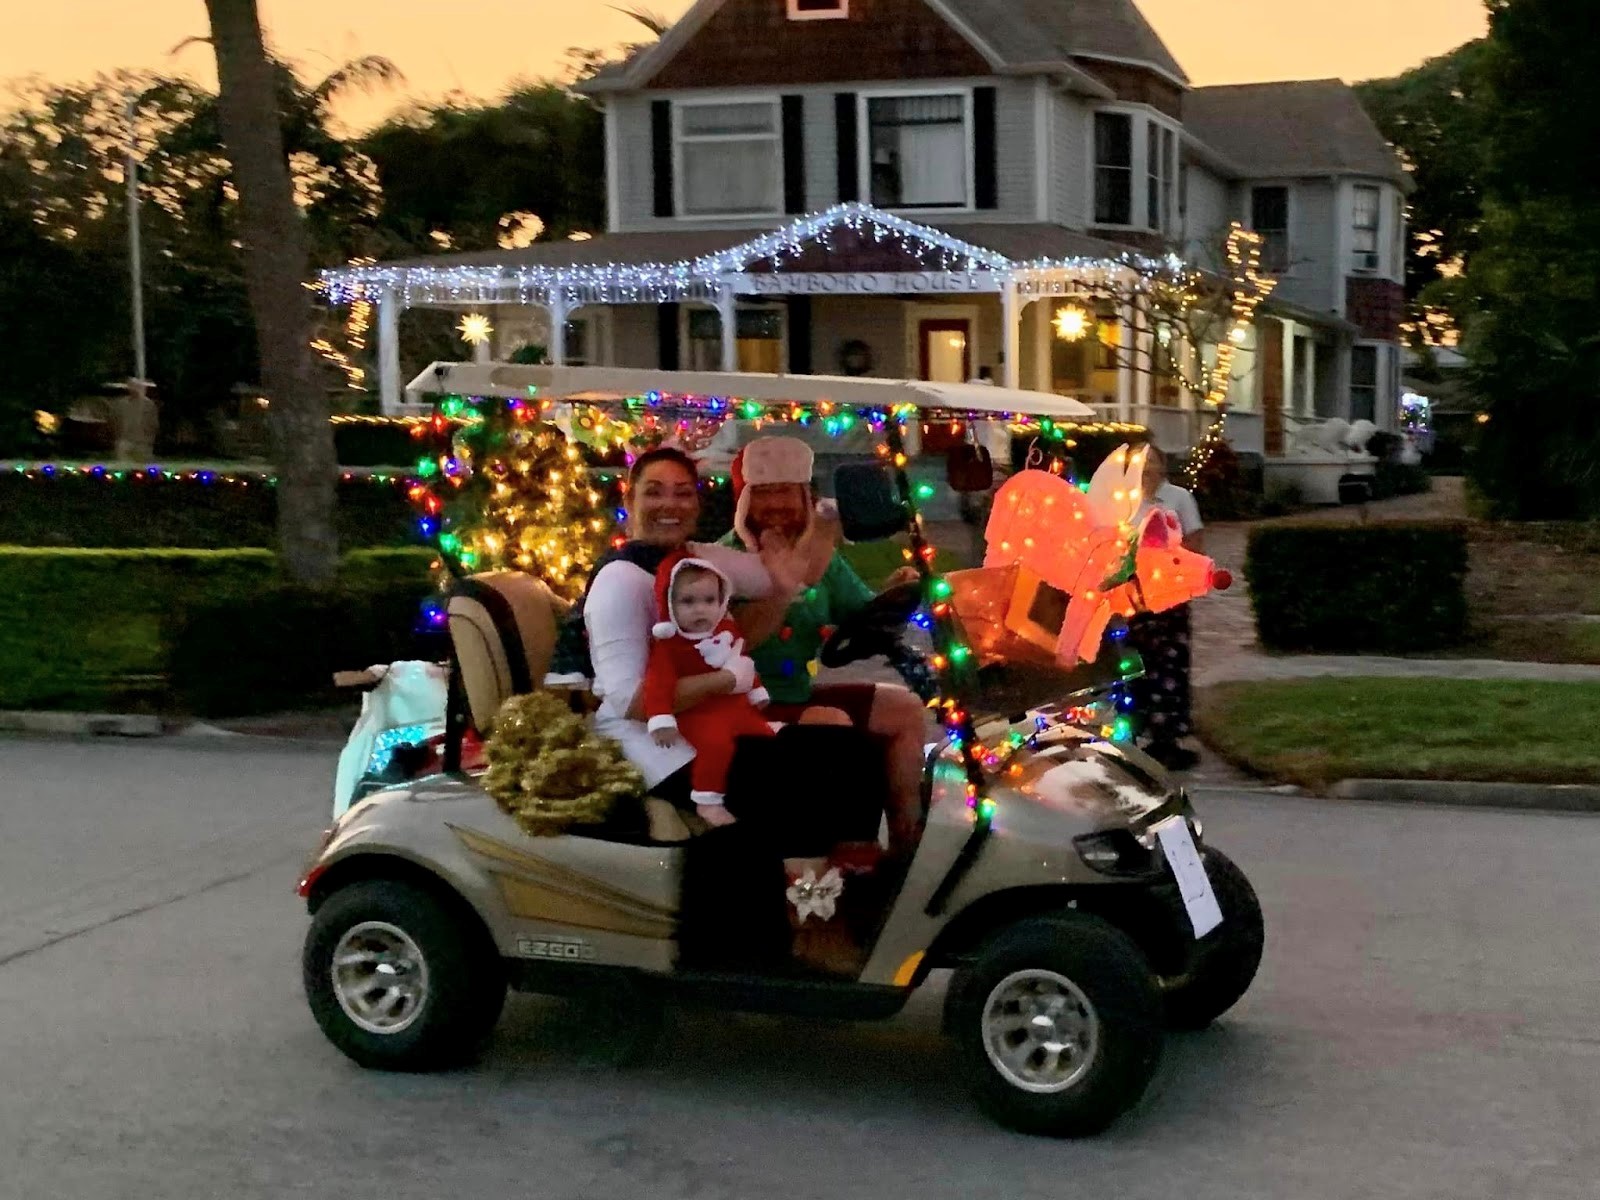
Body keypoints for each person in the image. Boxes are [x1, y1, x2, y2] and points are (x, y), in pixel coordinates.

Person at [720, 435, 930, 857]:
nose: (776, 504)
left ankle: (907, 849)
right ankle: (853, 854)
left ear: (805, 496)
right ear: (744, 502)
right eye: (763, 492)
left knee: (905, 709)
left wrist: (895, 591)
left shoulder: (820, 556)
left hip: (794, 695)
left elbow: (858, 613)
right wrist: (783, 586)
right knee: (829, 719)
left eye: (786, 491)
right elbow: (736, 640)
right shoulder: (724, 562)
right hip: (740, 706)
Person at [643, 553, 774, 826]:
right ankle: (707, 799)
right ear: (669, 605)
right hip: (698, 712)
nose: (700, 610)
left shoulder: (726, 630)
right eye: (688, 602)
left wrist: (756, 691)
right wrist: (661, 717)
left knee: (764, 735)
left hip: (734, 706)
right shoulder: (669, 647)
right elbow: (658, 685)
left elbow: (742, 662)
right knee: (715, 745)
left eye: (709, 600)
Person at [1128, 445, 1203, 770]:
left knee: (1170, 662)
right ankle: (1139, 733)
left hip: (1170, 593)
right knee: (1137, 661)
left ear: (1163, 466)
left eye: (1152, 462)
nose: (1146, 469)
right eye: (1140, 463)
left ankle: (1168, 737)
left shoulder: (1179, 498)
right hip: (1135, 594)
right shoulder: (1125, 502)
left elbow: (1195, 538)